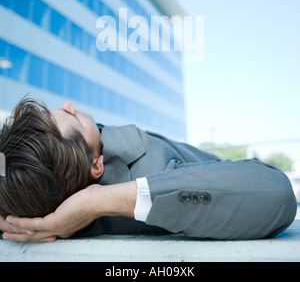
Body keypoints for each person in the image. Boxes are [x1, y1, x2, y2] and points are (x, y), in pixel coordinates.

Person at [0, 96, 297, 242]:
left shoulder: (31, 188)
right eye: (70, 115)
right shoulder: (151, 166)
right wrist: (98, 200)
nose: (69, 103)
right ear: (96, 165)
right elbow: (276, 191)